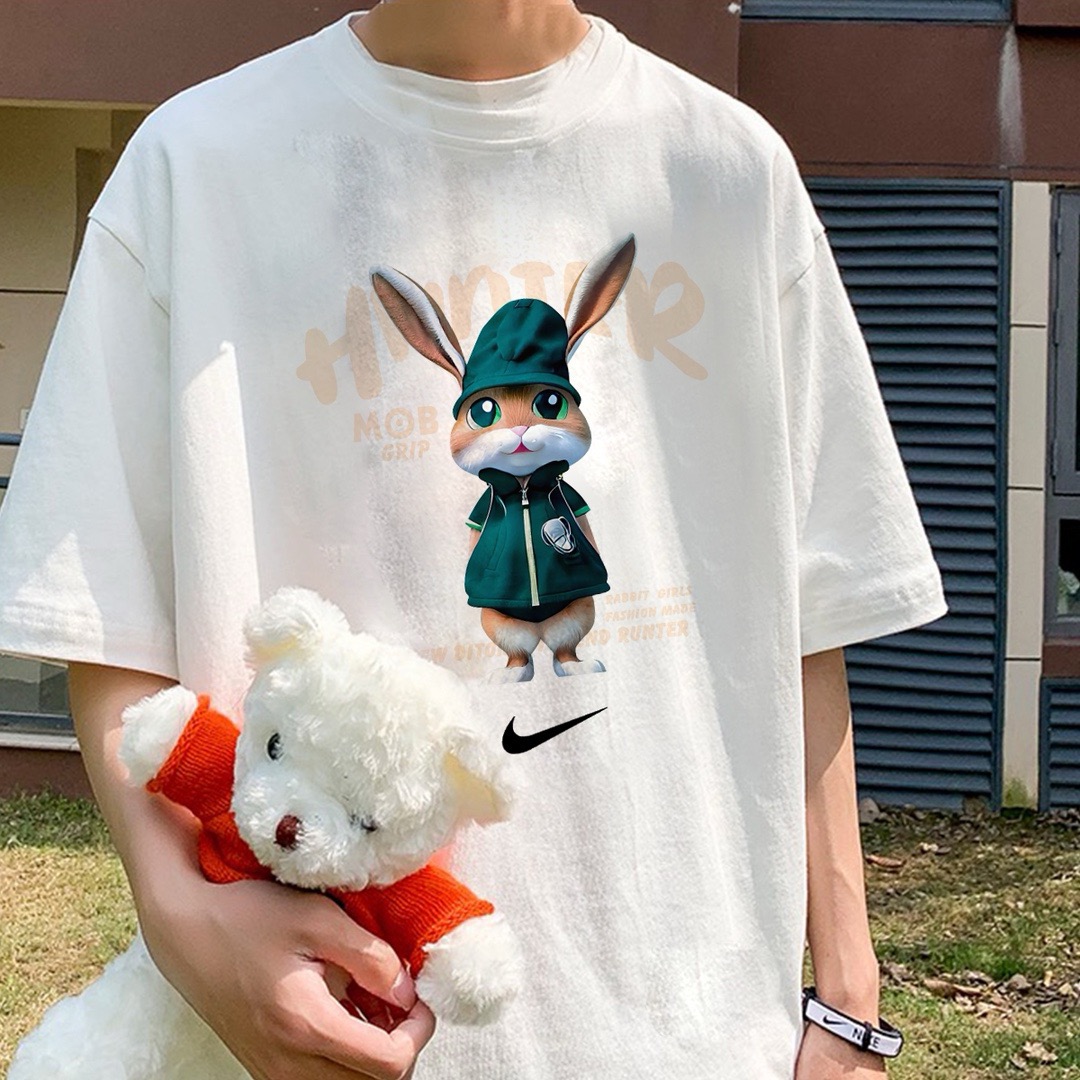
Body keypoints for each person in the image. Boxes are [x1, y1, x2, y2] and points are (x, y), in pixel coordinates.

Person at [0, 1, 949, 1077]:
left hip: (700, 1030)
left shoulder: (726, 172)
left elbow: (809, 611)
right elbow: (104, 611)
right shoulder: (194, 169)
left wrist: (848, 1006)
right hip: (337, 1025)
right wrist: (187, 925)